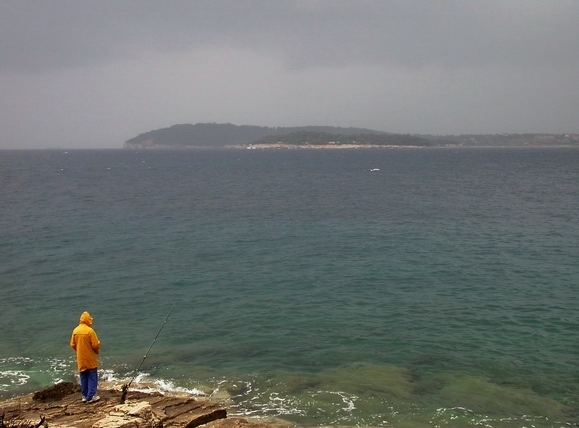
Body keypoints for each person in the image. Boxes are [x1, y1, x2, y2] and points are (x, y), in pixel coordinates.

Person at [70, 311, 101, 403]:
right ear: (88, 320)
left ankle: (84, 395)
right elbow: (95, 345)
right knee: (92, 376)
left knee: (83, 376)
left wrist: (78, 350)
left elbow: (72, 344)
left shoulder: (75, 331)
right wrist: (97, 348)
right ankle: (91, 396)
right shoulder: (90, 331)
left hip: (81, 358)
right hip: (90, 357)